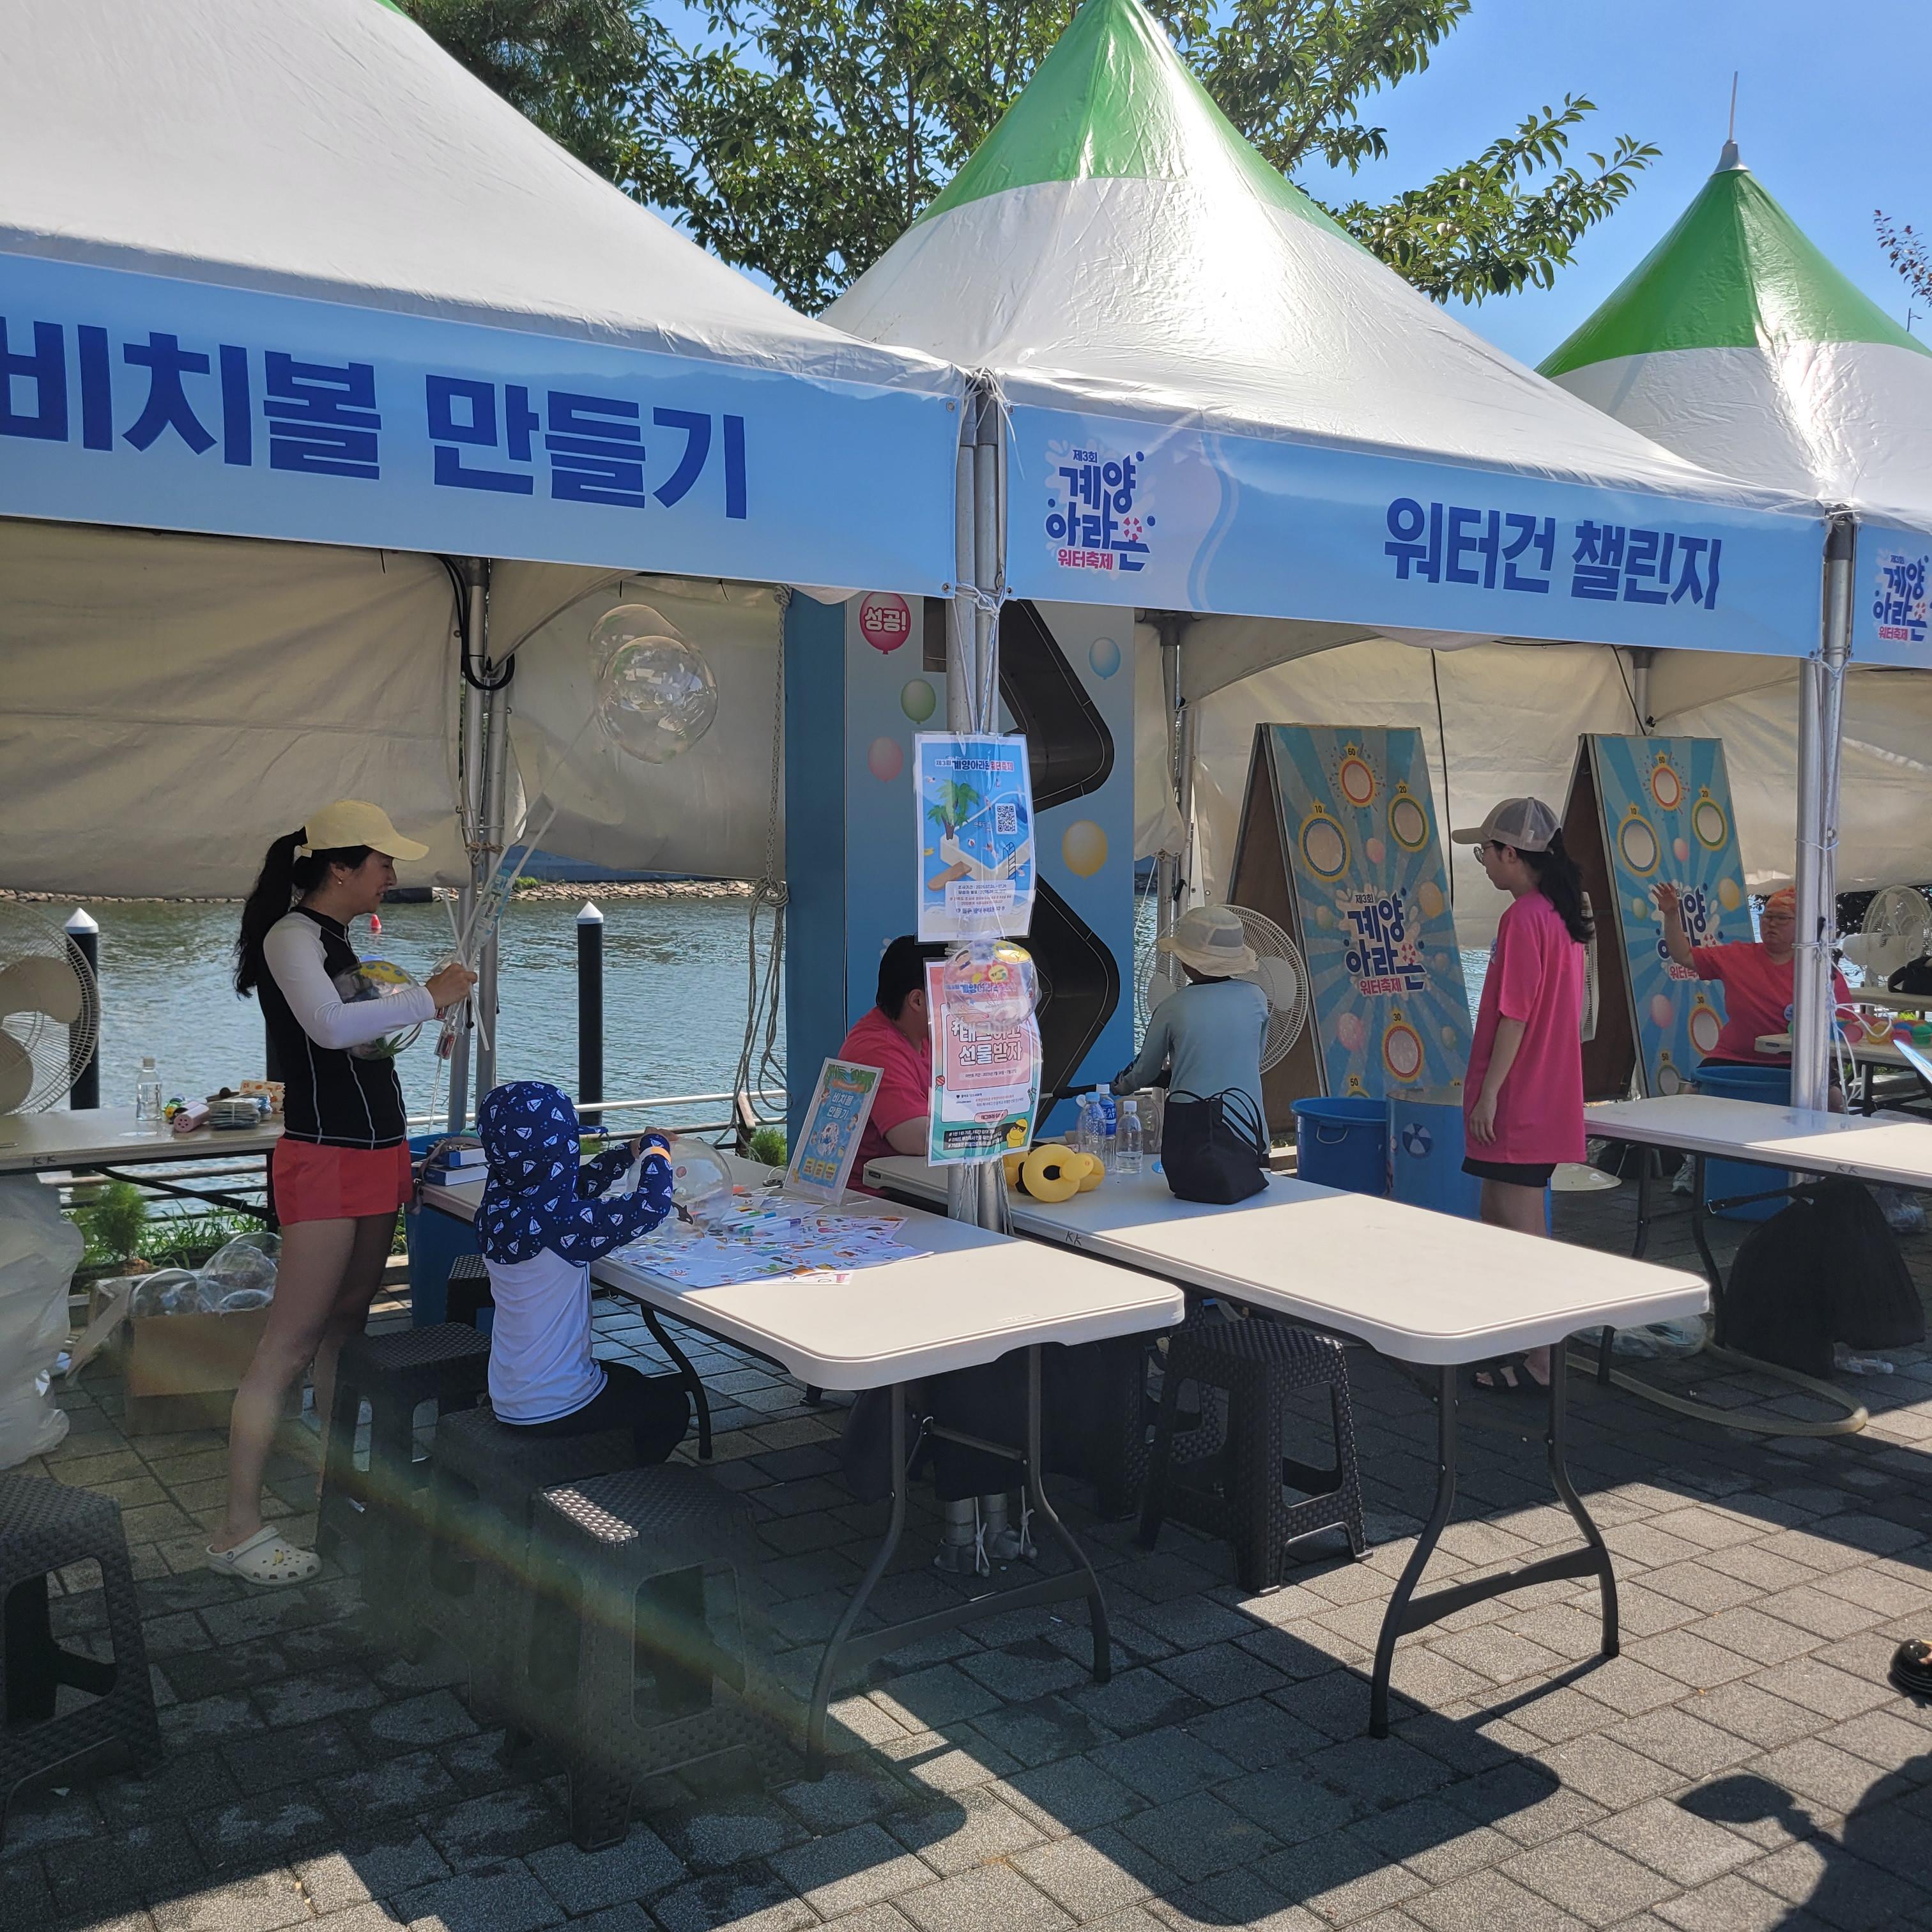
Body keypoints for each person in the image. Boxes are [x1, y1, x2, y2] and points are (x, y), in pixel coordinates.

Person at [211, 801, 475, 1584]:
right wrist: (429, 996)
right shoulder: (291, 936)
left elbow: (359, 1039)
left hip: (376, 1152)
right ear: (339, 868)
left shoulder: (336, 940)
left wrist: (427, 1012)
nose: (391, 875)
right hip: (325, 1156)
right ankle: (235, 1530)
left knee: (345, 1333)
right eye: (382, 863)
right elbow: (327, 1027)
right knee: (288, 1345)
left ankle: (335, 1490)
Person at [1451, 798, 1590, 1395]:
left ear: (1511, 853)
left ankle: (1543, 1358)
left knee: (1521, 1228)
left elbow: (1515, 1015)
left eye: (1485, 852)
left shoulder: (1525, 918)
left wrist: (1489, 1094)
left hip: (1520, 1096)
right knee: (1499, 1217)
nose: (1483, 862)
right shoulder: (1562, 915)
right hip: (1545, 1091)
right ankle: (1519, 1339)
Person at [473, 1081, 690, 1460]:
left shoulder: (499, 1204)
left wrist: (628, 1152)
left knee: (630, 1380)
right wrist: (657, 1151)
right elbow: (651, 1206)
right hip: (556, 1404)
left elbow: (575, 1187)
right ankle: (613, 1480)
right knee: (671, 1406)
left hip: (510, 1392)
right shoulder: (563, 1227)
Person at [1653, 883, 1850, 1069]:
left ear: (1804, 925)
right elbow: (1683, 956)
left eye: (1782, 918)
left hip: (1797, 1062)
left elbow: (1845, 1023)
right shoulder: (1737, 955)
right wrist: (1671, 914)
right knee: (1695, 1088)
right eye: (1767, 917)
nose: (1771, 924)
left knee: (1832, 1093)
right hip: (1733, 1057)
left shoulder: (1820, 969)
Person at [1115, 903, 1269, 1125]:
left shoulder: (1172, 1007)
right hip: (1248, 1123)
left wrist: (1122, 1086)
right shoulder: (1257, 997)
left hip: (1193, 1126)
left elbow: (1145, 1070)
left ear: (1188, 961)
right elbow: (1254, 1057)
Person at [837, 935, 949, 1194]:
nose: (963, 1005)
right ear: (917, 1000)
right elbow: (914, 1137)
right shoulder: (876, 1047)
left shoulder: (925, 1036)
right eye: (952, 994)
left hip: (919, 1184)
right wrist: (993, 1131)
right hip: (874, 1199)